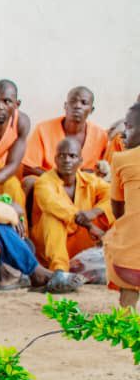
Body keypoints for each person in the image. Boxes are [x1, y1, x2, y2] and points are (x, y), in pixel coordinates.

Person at [30, 137, 113, 283]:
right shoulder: (44, 182)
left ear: (80, 161)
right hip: (50, 247)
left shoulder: (91, 181)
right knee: (52, 216)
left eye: (72, 156)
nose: (67, 160)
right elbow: (53, 205)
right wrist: (89, 225)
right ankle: (59, 273)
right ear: (55, 159)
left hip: (81, 246)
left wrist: (93, 212)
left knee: (115, 210)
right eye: (62, 155)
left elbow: (113, 195)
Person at [23, 87, 108, 180]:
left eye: (84, 103)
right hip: (50, 184)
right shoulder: (43, 129)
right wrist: (60, 179)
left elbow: (105, 171)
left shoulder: (101, 136)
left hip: (86, 186)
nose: (77, 106)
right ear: (66, 106)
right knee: (29, 181)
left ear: (91, 110)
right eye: (73, 101)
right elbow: (28, 167)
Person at [104, 102, 140, 309]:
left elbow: (118, 210)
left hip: (129, 267)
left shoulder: (121, 159)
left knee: (115, 236)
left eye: (129, 127)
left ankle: (127, 311)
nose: (123, 134)